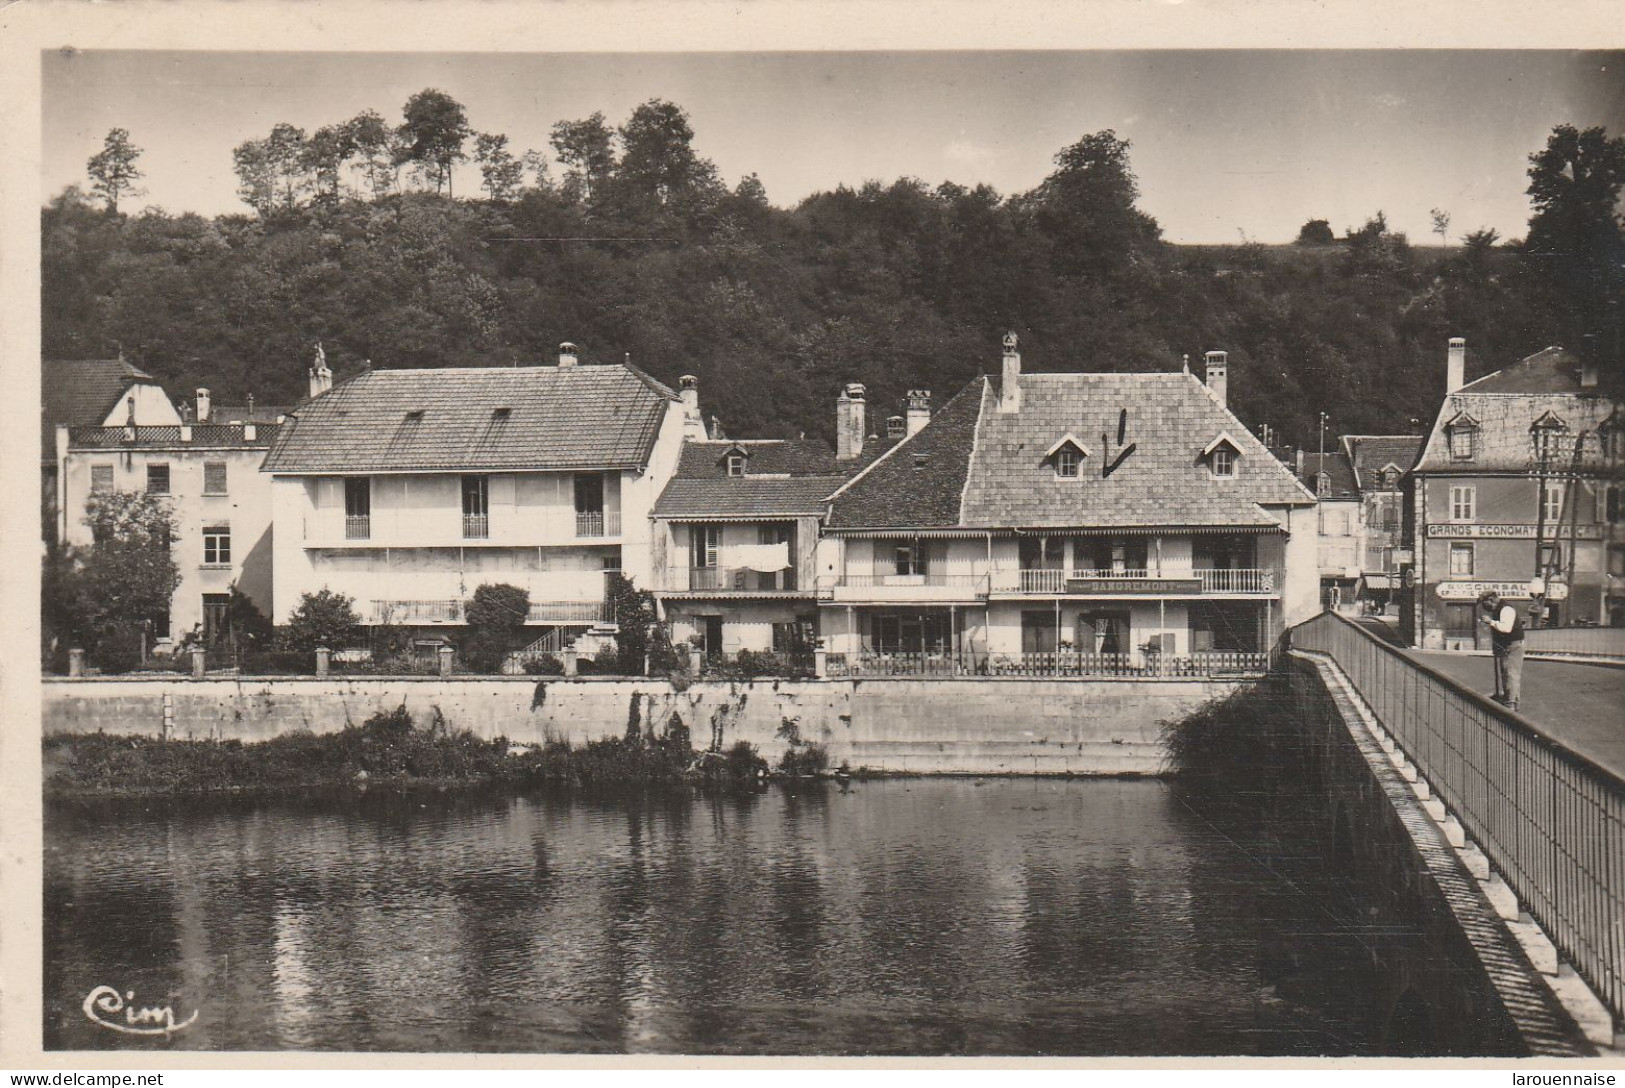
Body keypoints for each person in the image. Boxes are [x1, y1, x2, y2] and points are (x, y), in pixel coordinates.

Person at [1479, 590, 1527, 712]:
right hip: (1506, 645)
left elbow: (1506, 628)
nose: (1484, 607)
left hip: (1513, 645)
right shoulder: (1497, 610)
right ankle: (1511, 701)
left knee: (1511, 674)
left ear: (1491, 600)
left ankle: (1510, 704)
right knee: (1507, 673)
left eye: (1484, 603)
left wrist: (1490, 621)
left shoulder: (1506, 609)